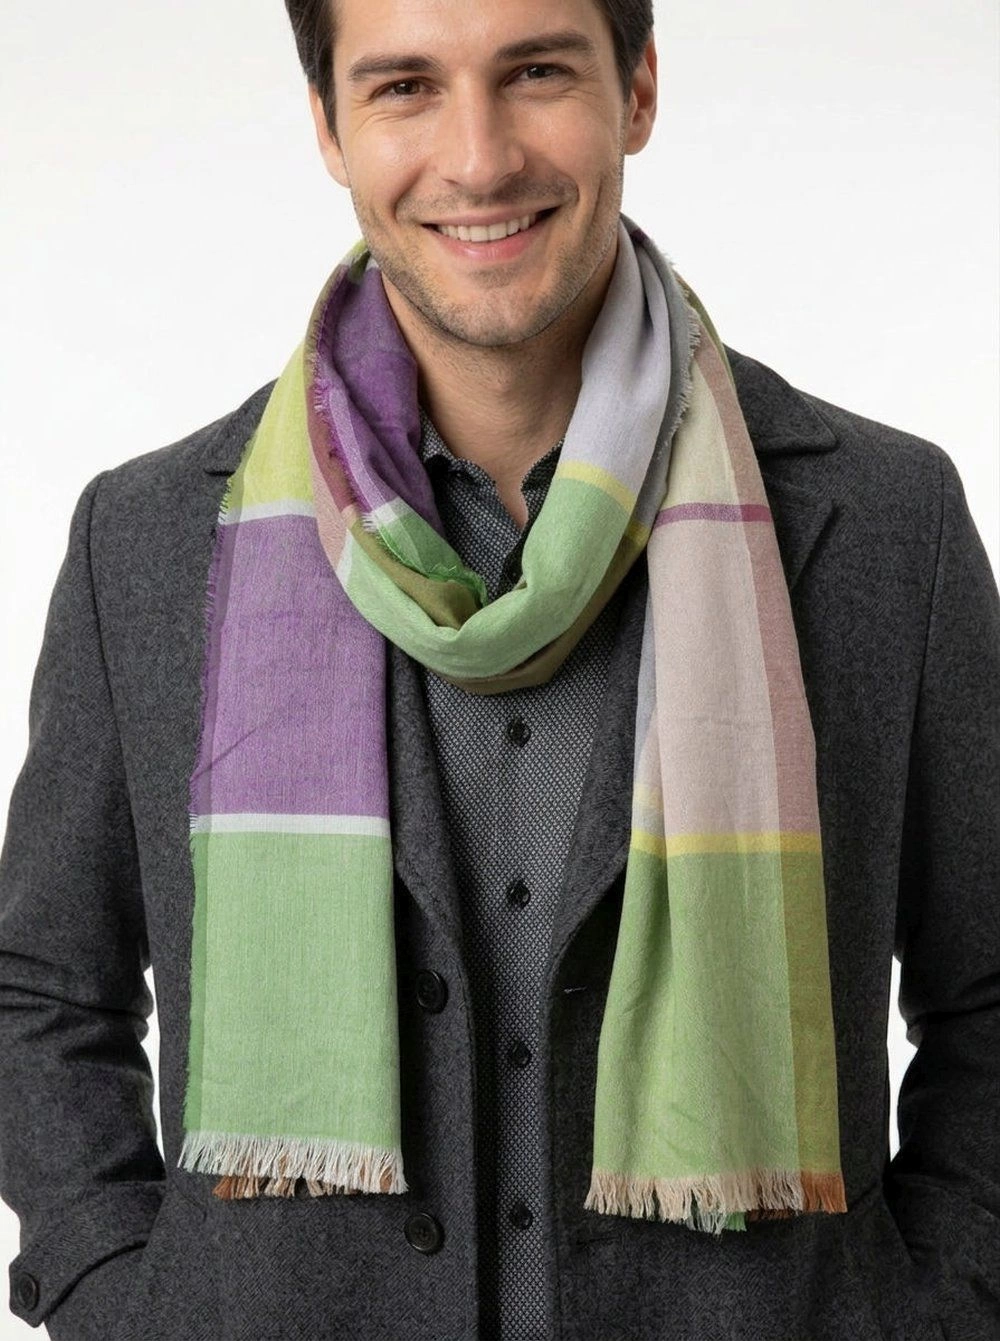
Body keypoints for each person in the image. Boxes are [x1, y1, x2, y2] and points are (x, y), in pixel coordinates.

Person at [2, 0, 998, 1337]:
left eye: (535, 71)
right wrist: (127, 1301)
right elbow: (41, 992)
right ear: (330, 129)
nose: (478, 159)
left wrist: (937, 1305)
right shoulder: (148, 539)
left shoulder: (884, 522)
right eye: (405, 86)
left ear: (637, 91)